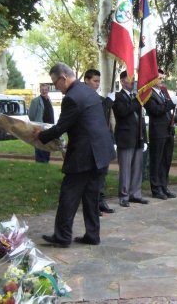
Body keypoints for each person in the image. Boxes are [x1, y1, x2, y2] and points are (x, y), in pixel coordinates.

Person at [33, 63, 116, 247]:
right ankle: (93, 235)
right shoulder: (88, 91)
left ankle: (62, 237)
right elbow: (88, 121)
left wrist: (41, 136)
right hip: (101, 152)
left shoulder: (71, 97)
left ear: (63, 78)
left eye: (55, 83)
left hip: (85, 155)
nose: (56, 87)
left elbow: (61, 127)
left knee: (68, 195)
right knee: (91, 197)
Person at [113, 70, 149, 207]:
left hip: (138, 137)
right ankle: (124, 195)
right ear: (122, 81)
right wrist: (138, 100)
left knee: (137, 167)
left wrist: (144, 139)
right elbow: (123, 112)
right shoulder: (118, 97)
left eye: (134, 78)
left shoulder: (136, 97)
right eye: (129, 79)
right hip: (125, 137)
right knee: (126, 168)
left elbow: (141, 119)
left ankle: (135, 193)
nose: (133, 81)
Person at [83, 69, 116, 216]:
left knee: (102, 174)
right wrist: (107, 103)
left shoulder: (99, 99)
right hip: (91, 144)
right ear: (86, 80)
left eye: (98, 81)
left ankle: (101, 200)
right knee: (93, 177)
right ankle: (93, 204)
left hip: (103, 142)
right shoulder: (83, 97)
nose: (97, 84)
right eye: (95, 81)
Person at [144, 69, 177, 199]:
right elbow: (156, 110)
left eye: (163, 78)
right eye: (159, 78)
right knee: (156, 161)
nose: (162, 80)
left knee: (166, 161)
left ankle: (164, 186)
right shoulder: (148, 94)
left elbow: (168, 110)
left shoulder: (164, 92)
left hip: (168, 130)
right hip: (157, 131)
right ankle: (156, 188)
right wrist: (171, 103)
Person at [28, 84, 54, 163]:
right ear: (40, 91)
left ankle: (46, 161)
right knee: (39, 145)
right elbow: (31, 115)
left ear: (48, 91)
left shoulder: (49, 100)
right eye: (42, 90)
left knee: (47, 145)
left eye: (45, 90)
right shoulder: (35, 101)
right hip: (40, 127)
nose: (44, 91)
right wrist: (36, 125)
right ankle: (39, 161)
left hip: (49, 127)